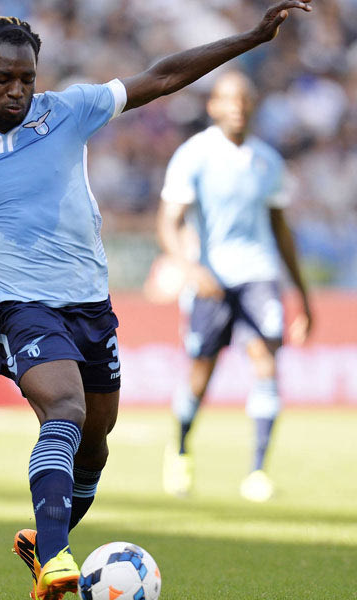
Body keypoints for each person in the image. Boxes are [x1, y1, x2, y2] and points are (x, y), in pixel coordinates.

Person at [0, 3, 313, 599]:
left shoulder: (69, 110)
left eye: (27, 78)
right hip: (22, 306)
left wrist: (251, 37)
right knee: (64, 409)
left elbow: (162, 76)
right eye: (3, 78)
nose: (17, 90)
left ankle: (44, 538)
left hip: (89, 304)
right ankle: (55, 561)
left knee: (95, 445)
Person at [157, 71, 312, 502]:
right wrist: (189, 269)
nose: (238, 106)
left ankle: (258, 471)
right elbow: (168, 222)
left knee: (266, 361)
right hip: (212, 280)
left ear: (254, 105)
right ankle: (181, 448)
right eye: (229, 98)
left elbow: (281, 229)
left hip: (259, 275)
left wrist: (303, 297)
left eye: (245, 98)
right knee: (201, 373)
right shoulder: (194, 154)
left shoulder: (268, 161)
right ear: (213, 106)